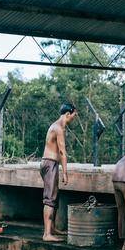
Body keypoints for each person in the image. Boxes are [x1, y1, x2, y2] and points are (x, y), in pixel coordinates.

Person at [40, 102, 78, 242]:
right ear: (68, 114)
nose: (74, 118)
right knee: (50, 199)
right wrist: (65, 173)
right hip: (50, 164)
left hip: (49, 163)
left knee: (54, 196)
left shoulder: (57, 126)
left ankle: (52, 228)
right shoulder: (58, 128)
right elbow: (62, 152)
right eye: (74, 115)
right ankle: (47, 234)